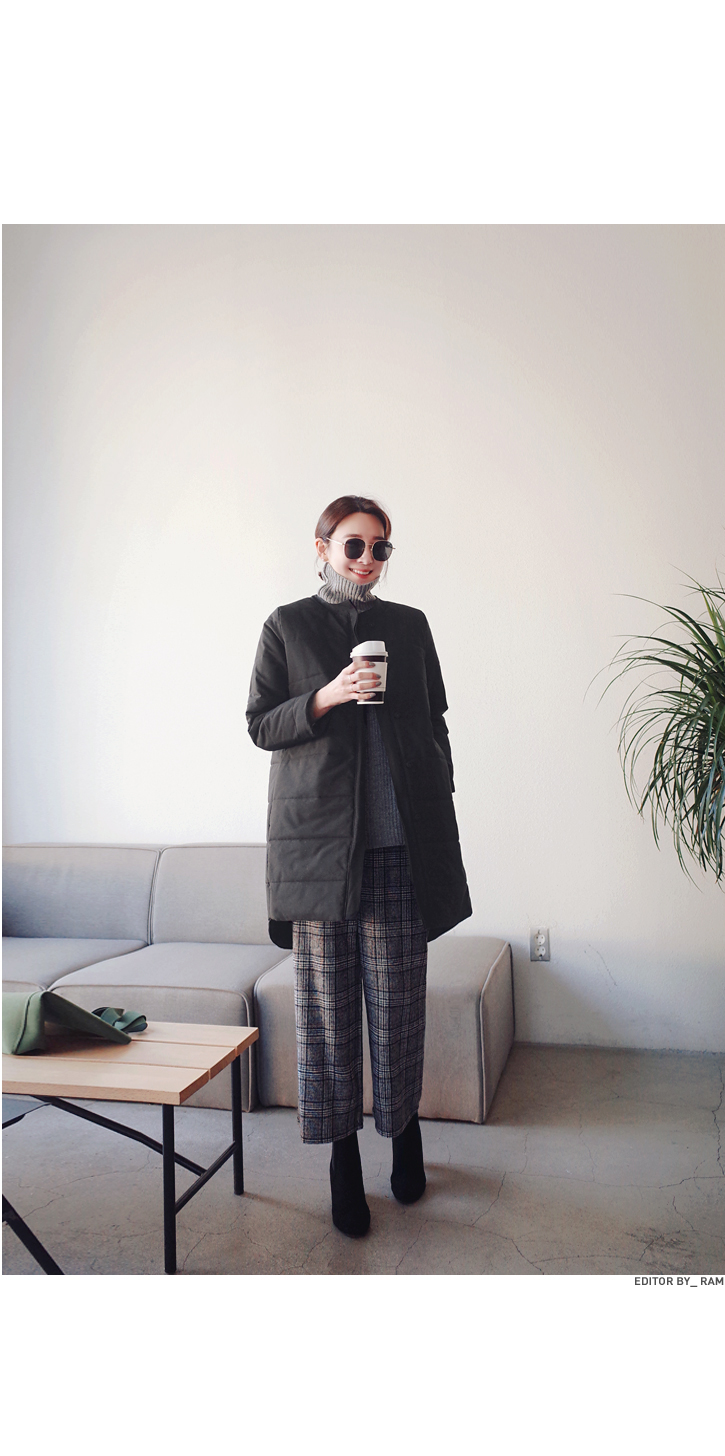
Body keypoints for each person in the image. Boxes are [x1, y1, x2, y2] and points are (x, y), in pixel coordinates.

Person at [247, 496, 471, 1236]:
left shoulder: (408, 625)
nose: (368, 560)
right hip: (319, 853)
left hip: (400, 845)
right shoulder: (287, 625)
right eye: (354, 546)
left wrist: (436, 777)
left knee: (398, 1007)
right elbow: (260, 724)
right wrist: (327, 696)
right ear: (322, 547)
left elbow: (434, 717)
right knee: (328, 1017)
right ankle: (342, 1161)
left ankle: (404, 1134)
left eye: (380, 548)